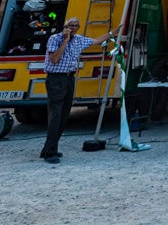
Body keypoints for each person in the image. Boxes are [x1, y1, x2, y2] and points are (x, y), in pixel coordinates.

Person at [40, 17, 117, 164]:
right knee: (55, 115)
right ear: (65, 26)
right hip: (56, 79)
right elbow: (54, 59)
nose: (73, 28)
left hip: (69, 78)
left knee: (64, 114)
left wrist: (114, 32)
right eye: (70, 25)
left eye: (76, 25)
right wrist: (65, 41)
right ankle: (50, 153)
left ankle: (49, 148)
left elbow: (96, 41)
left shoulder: (79, 40)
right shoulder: (54, 39)